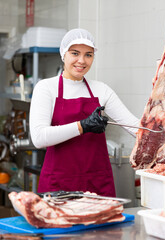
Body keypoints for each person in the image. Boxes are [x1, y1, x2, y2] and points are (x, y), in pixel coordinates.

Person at [29, 28, 139, 197]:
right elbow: (39, 138)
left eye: (88, 54)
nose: (82, 60)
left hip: (97, 182)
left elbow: (134, 127)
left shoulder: (101, 90)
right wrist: (82, 126)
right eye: (75, 53)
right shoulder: (46, 88)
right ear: (63, 54)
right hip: (59, 184)